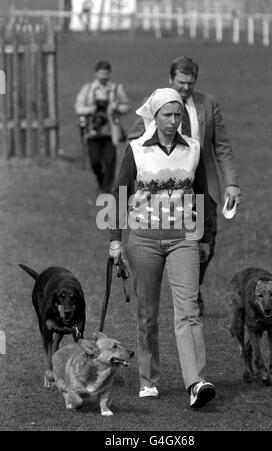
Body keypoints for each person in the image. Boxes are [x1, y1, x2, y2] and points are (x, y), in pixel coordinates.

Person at [108, 88, 216, 409]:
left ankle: (196, 382)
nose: (173, 121)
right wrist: (115, 239)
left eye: (178, 115)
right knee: (147, 312)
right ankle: (148, 380)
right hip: (143, 239)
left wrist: (204, 237)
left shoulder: (193, 149)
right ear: (154, 116)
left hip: (184, 238)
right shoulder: (136, 150)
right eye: (167, 115)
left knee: (189, 310)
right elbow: (119, 195)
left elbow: (201, 194)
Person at [128, 56, 241, 315]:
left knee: (206, 241)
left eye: (191, 83)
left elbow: (222, 147)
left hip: (204, 184)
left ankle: (192, 286)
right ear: (171, 79)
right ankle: (186, 291)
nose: (186, 88)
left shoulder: (208, 103)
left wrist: (231, 183)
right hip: (165, 188)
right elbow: (133, 139)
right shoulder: (157, 103)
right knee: (174, 238)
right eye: (181, 82)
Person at [75, 60, 130, 193]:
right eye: (101, 74)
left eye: (106, 74)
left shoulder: (116, 89)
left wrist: (115, 107)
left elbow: (126, 106)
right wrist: (92, 109)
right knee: (95, 162)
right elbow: (79, 107)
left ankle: (107, 190)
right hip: (93, 131)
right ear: (95, 74)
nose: (103, 77)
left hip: (110, 132)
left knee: (110, 162)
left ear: (109, 74)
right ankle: (101, 181)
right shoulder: (88, 89)